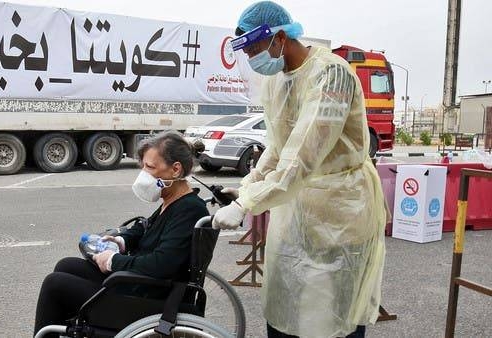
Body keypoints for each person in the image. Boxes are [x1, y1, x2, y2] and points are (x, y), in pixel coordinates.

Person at [211, 2, 387, 337]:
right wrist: (246, 185)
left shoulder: (331, 75)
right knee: (286, 304)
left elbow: (304, 155)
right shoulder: (276, 83)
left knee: (334, 318)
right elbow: (278, 149)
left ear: (279, 37)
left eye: (253, 49)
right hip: (296, 209)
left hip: (341, 211)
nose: (251, 58)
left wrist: (246, 204)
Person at [34, 131, 209, 337]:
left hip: (152, 296)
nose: (144, 173)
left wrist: (113, 261)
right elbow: (146, 228)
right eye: (144, 165)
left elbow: (162, 264)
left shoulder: (189, 209)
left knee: (55, 284)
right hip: (141, 284)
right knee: (66, 265)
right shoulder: (174, 200)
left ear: (175, 169)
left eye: (150, 167)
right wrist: (121, 241)